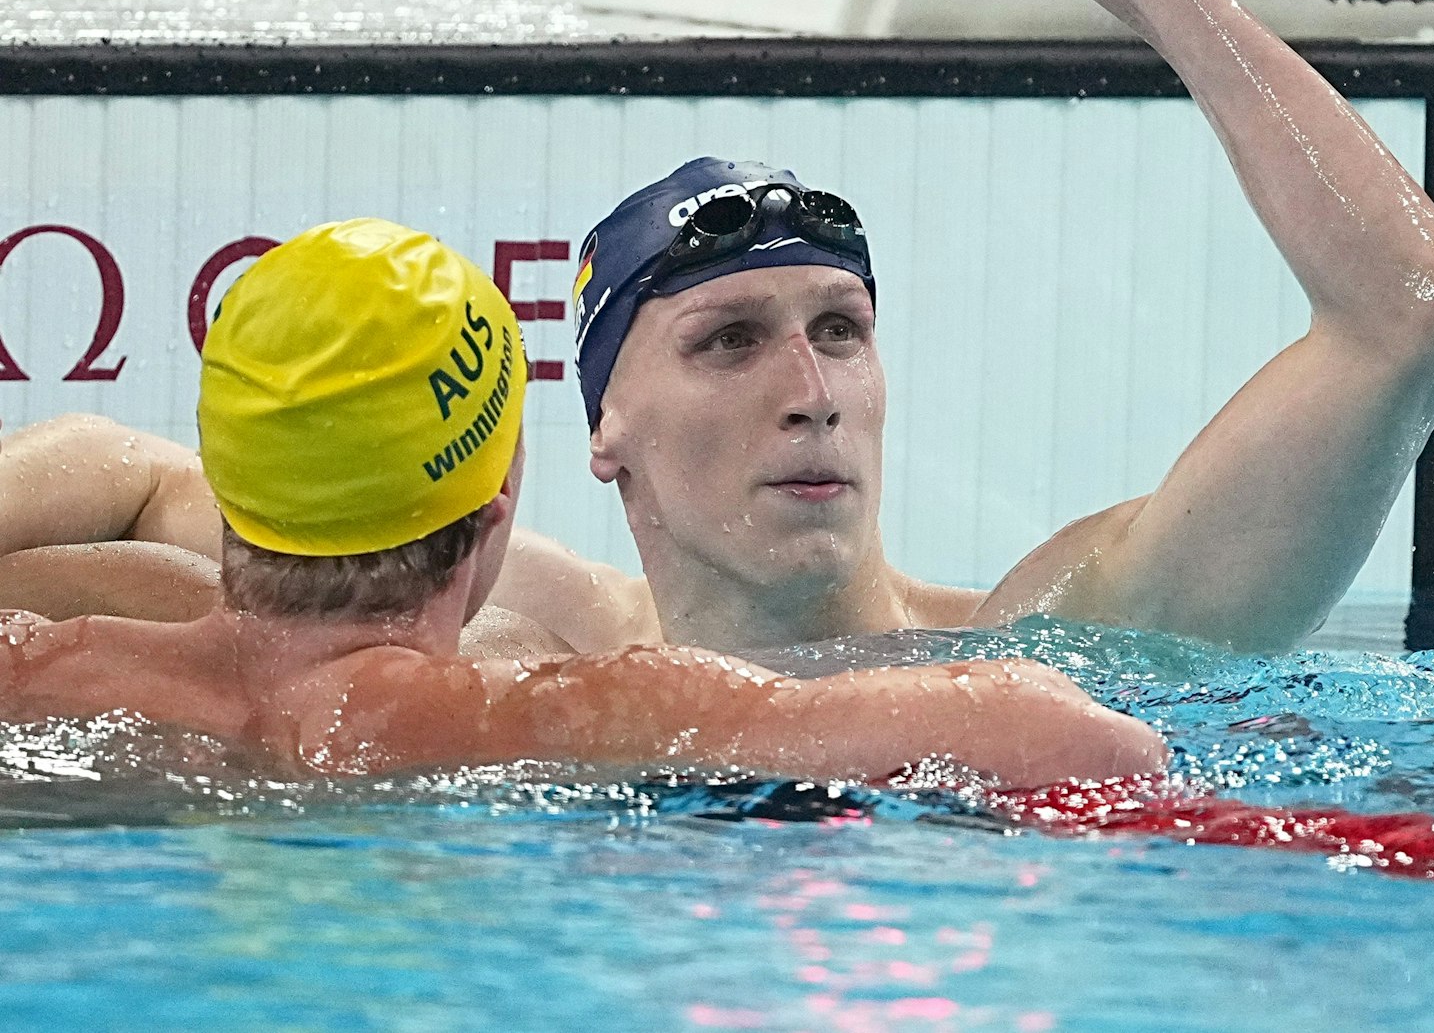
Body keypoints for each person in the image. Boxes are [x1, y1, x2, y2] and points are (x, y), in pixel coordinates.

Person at [559, 0, 1434, 654]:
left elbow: (1412, 313)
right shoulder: (526, 656)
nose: (814, 392)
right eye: (729, 340)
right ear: (609, 423)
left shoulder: (1043, 654)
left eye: (840, 331)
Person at [0, 219, 1165, 784]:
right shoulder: (550, 716)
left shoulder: (37, 666)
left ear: (232, 480)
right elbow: (1073, 735)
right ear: (498, 492)